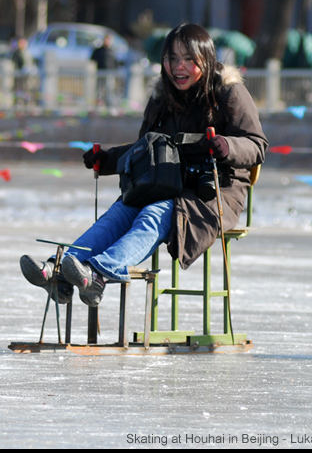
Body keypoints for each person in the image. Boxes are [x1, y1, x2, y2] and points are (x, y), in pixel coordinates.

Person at [20, 23, 267, 307]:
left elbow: (257, 144)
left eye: (188, 59)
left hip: (212, 193)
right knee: (119, 211)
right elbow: (145, 149)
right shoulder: (163, 97)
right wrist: (109, 160)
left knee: (155, 212)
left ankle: (98, 274)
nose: (178, 67)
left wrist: (227, 146)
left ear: (206, 59)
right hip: (164, 181)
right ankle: (60, 271)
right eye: (172, 59)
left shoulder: (227, 92)